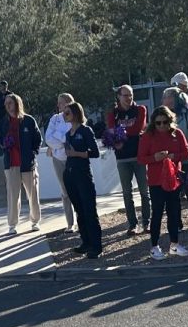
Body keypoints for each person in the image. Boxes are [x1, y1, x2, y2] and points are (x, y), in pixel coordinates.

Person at [138, 106, 188, 260]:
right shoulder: (148, 136)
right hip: (156, 181)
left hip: (173, 179)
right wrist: (154, 158)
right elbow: (141, 158)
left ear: (170, 121)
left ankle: (174, 244)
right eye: (158, 123)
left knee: (174, 212)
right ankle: (154, 246)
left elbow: (187, 153)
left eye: (164, 122)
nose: (161, 126)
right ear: (153, 123)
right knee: (157, 213)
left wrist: (174, 156)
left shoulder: (177, 134)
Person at [107, 85, 150, 236]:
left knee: (145, 192)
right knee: (127, 193)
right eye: (125, 95)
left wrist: (121, 134)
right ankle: (133, 224)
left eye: (130, 95)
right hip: (122, 159)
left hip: (139, 156)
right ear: (118, 97)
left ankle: (147, 222)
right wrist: (118, 137)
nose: (128, 98)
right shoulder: (113, 113)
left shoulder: (140, 110)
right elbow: (111, 132)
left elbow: (139, 127)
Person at [61, 101, 102, 258]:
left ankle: (96, 246)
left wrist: (77, 153)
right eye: (64, 113)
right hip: (70, 174)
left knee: (89, 210)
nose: (65, 115)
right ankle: (86, 242)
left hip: (83, 175)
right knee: (79, 210)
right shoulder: (67, 133)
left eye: (67, 113)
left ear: (76, 114)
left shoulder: (85, 130)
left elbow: (95, 152)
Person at [0, 93, 42, 234]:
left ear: (17, 103)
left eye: (10, 103)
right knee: (12, 196)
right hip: (11, 165)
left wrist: (33, 153)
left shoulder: (28, 121)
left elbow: (37, 139)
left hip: (28, 165)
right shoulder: (4, 122)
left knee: (33, 195)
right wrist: (3, 145)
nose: (7, 106)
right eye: (6, 104)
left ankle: (35, 221)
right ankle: (12, 225)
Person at [162, 87, 188, 229]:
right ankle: (177, 224)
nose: (166, 100)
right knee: (173, 194)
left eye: (169, 97)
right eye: (165, 97)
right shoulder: (163, 119)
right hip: (172, 163)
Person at [43, 92, 78, 232]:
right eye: (58, 102)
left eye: (61, 102)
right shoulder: (54, 119)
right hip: (58, 159)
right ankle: (70, 223)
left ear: (68, 103)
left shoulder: (75, 117)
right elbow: (48, 138)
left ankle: (81, 220)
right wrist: (62, 141)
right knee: (65, 190)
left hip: (73, 158)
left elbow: (71, 136)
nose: (58, 105)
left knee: (76, 188)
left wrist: (61, 139)